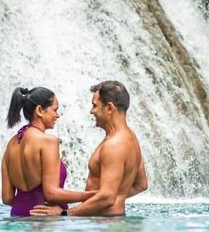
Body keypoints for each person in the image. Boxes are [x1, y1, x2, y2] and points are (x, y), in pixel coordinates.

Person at [36, 80, 147, 217]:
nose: (91, 111)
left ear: (109, 108)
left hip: (105, 224)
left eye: (94, 105)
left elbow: (107, 197)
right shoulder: (131, 138)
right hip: (114, 220)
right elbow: (141, 184)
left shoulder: (114, 145)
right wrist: (118, 197)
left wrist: (65, 213)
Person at [1, 86, 94, 217]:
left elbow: (7, 198)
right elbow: (52, 194)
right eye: (55, 110)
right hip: (44, 221)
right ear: (39, 110)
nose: (57, 115)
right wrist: (93, 196)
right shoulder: (48, 141)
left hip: (17, 217)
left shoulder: (11, 144)